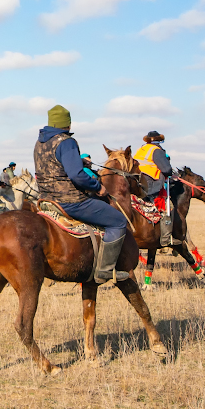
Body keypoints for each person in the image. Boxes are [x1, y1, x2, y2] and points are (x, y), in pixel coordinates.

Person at [35, 105, 129, 284]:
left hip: (47, 200)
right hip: (71, 201)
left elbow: (53, 166)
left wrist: (78, 161)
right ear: (67, 124)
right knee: (118, 221)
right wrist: (97, 187)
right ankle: (105, 270)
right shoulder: (66, 142)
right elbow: (77, 176)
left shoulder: (40, 143)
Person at [133, 131, 176, 246]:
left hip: (138, 183)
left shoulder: (141, 149)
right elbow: (166, 170)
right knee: (168, 207)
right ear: (159, 140)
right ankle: (166, 239)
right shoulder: (156, 150)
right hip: (151, 183)